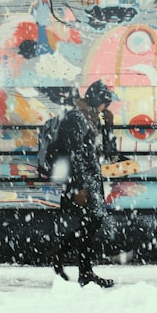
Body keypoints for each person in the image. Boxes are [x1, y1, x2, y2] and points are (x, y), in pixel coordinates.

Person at [52, 79, 117, 288]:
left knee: (91, 223)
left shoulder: (90, 118)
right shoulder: (77, 118)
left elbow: (108, 153)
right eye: (104, 103)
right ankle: (82, 270)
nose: (105, 107)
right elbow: (76, 155)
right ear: (97, 99)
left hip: (90, 178)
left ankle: (63, 256)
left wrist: (108, 127)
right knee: (91, 223)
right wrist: (80, 187)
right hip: (81, 181)